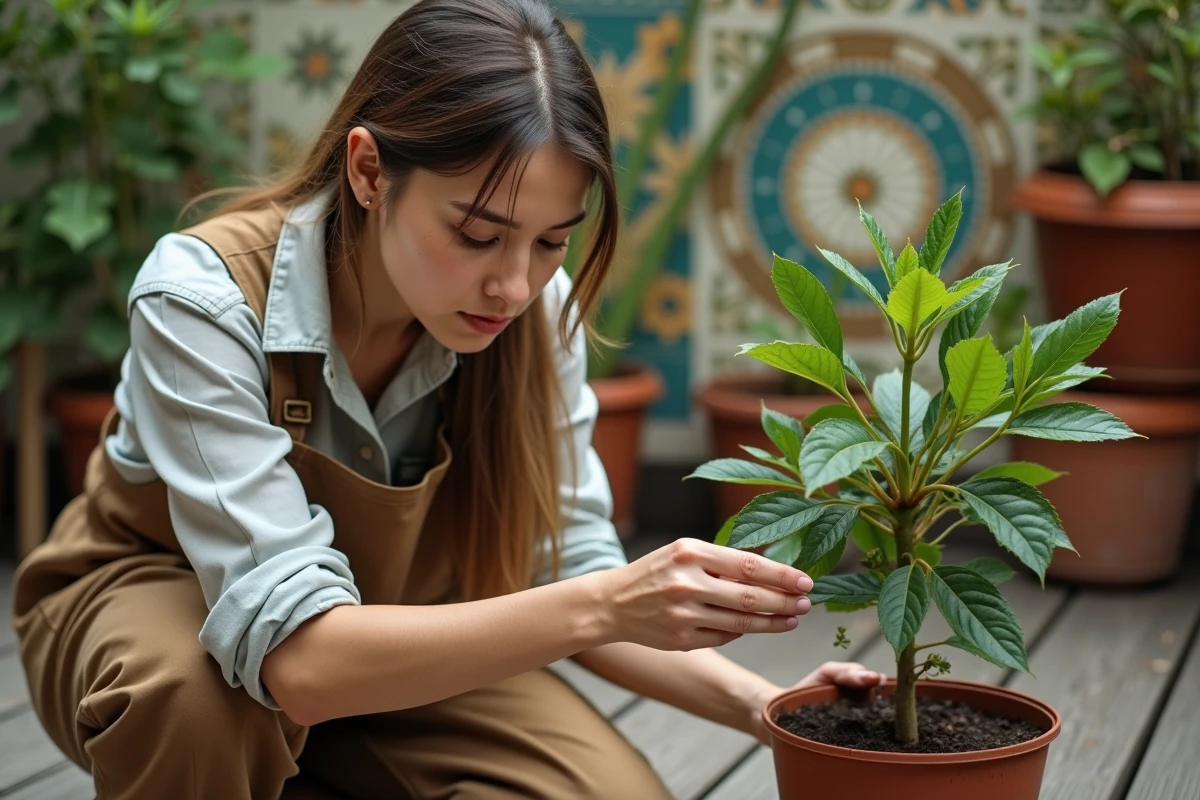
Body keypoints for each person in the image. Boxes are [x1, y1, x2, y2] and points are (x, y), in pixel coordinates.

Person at [12, 0, 883, 797]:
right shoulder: (202, 299)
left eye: (550, 242)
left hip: (400, 640)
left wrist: (770, 709)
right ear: (367, 170)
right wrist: (610, 603)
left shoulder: (536, 317)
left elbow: (566, 568)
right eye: (476, 233)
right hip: (168, 612)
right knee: (193, 702)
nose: (512, 285)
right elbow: (303, 661)